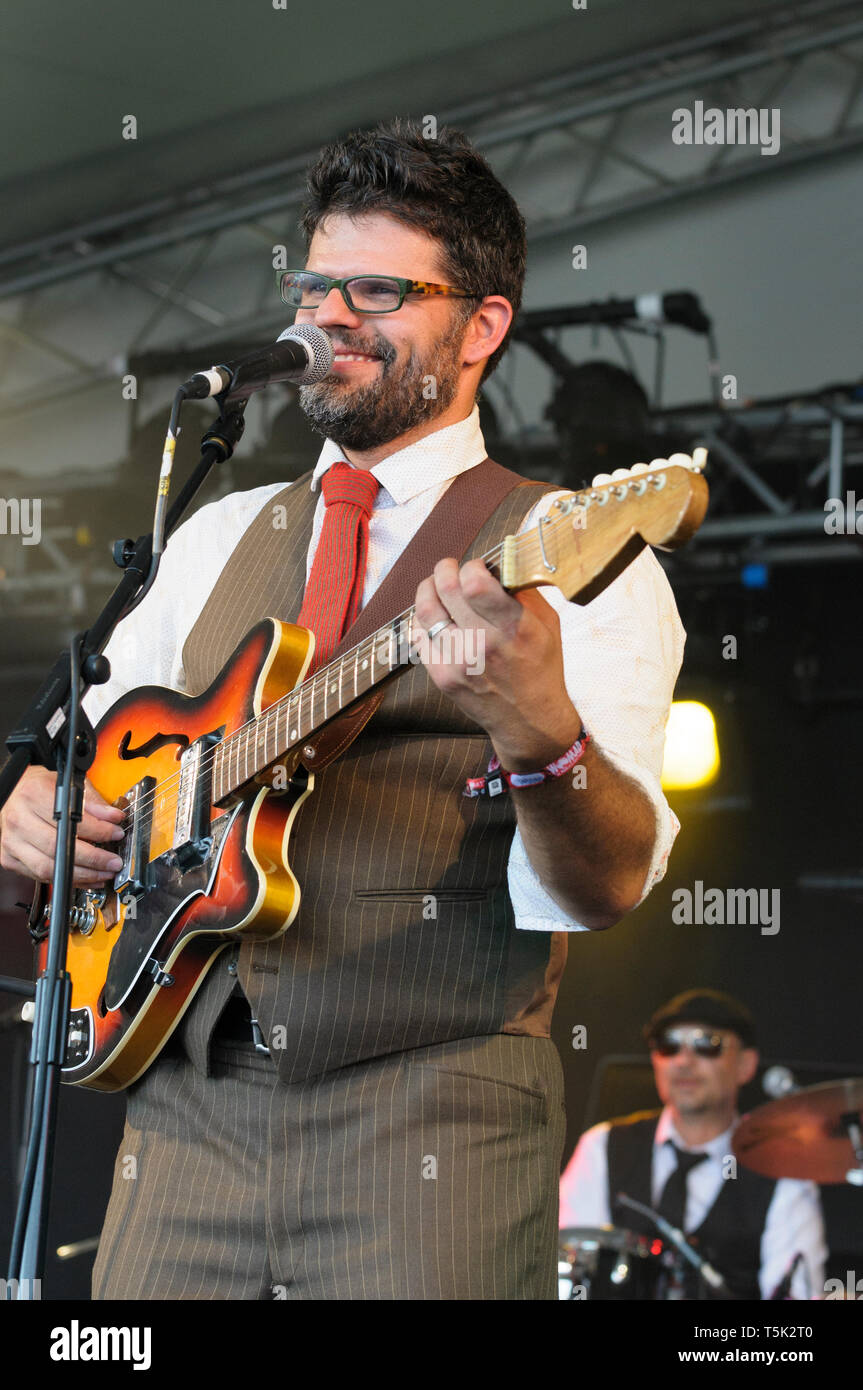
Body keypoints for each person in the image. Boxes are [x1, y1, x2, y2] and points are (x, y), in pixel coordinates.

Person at [0, 120, 685, 1300]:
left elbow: (601, 887)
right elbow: (86, 765)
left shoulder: (573, 556)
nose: (328, 316)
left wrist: (538, 731)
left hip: (432, 1123)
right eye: (317, 283)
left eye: (378, 288)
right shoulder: (216, 535)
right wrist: (35, 807)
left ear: (482, 327)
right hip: (185, 1112)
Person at [559, 989, 827, 1299]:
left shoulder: (783, 1168)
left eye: (706, 1044)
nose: (684, 1061)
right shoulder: (603, 1145)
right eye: (669, 1045)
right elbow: (567, 1267)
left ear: (746, 1064)